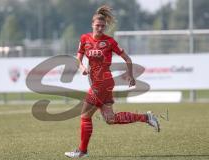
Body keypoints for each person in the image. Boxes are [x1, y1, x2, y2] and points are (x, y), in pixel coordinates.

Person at [65, 5, 160, 158]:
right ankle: (146, 117)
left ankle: (82, 151)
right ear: (92, 24)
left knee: (85, 116)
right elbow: (78, 58)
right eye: (98, 25)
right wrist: (81, 67)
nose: (100, 28)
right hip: (97, 84)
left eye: (103, 26)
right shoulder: (84, 39)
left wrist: (130, 75)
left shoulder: (109, 42)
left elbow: (127, 59)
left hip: (103, 83)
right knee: (111, 119)